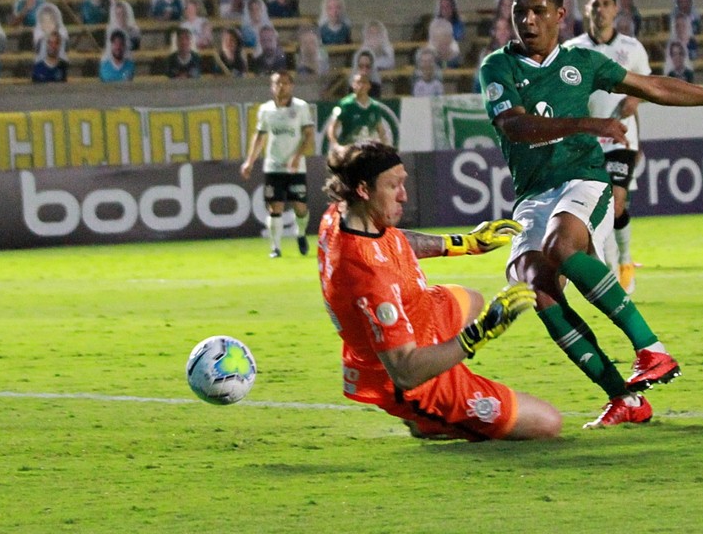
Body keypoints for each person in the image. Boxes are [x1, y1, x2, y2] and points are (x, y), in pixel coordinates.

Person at [479, 0, 703, 428]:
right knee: (534, 284)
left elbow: (654, 87)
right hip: (533, 192)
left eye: (538, 11)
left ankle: (651, 348)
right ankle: (625, 398)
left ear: (559, 14)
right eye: (520, 12)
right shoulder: (498, 66)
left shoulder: (582, 62)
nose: (528, 21)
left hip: (583, 178)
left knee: (561, 248)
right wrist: (587, 123)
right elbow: (515, 126)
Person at [318, 141, 562, 441]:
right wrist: (480, 332)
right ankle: (429, 418)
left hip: (419, 316)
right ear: (364, 190)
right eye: (393, 186)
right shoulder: (368, 276)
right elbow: (404, 372)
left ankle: (444, 366)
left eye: (402, 182)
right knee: (548, 424)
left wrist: (465, 243)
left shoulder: (343, 213)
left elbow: (393, 239)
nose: (404, 195)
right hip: (409, 380)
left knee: (471, 299)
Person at [565, 0, 651, 295]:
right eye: (594, 4)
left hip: (621, 137)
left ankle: (624, 262)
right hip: (589, 138)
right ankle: (613, 269)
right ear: (586, 10)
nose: (599, 9)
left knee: (615, 204)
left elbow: (647, 87)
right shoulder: (574, 50)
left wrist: (636, 101)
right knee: (599, 209)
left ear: (616, 10)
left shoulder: (632, 48)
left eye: (605, 3)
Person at [241, 71, 315, 259]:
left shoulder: (301, 107)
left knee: (300, 208)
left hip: (295, 167)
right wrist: (249, 161)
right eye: (277, 83)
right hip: (273, 166)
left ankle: (301, 233)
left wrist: (297, 156)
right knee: (275, 208)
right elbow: (259, 137)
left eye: (285, 83)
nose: (281, 86)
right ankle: (276, 247)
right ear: (271, 87)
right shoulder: (265, 109)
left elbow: (308, 134)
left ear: (291, 86)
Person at [326, 71, 392, 150]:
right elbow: (332, 128)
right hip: (349, 150)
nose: (361, 85)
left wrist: (387, 149)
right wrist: (337, 146)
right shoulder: (345, 104)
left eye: (364, 82)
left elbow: (381, 131)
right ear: (353, 85)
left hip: (367, 151)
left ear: (369, 85)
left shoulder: (375, 107)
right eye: (358, 82)